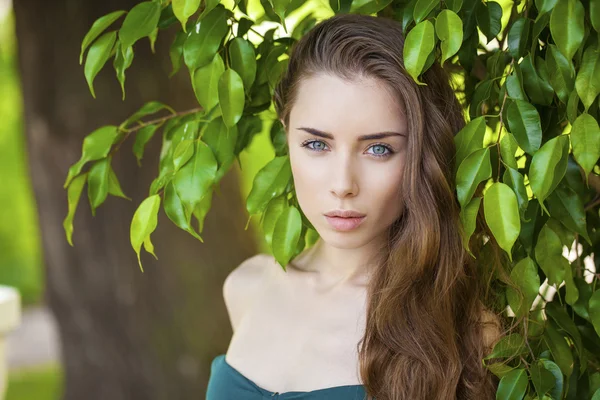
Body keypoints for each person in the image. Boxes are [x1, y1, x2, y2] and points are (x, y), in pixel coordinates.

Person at [206, 12, 505, 400]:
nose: (343, 185)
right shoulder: (247, 287)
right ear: (286, 134)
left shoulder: (467, 330)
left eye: (378, 149)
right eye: (317, 144)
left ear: (421, 155)